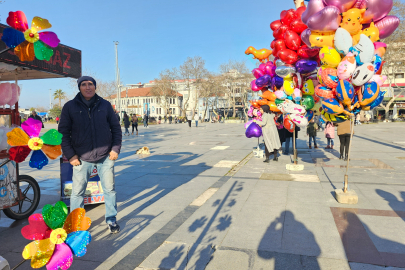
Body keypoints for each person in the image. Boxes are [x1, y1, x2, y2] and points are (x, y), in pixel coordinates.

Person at [58, 76, 122, 234]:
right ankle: (76, 222)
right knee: (77, 193)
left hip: (105, 156)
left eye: (91, 84)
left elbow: (116, 129)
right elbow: (63, 134)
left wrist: (115, 149)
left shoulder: (105, 105)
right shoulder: (70, 107)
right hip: (81, 158)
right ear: (79, 87)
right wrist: (71, 156)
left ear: (95, 87)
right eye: (84, 85)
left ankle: (111, 219)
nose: (88, 87)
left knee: (110, 189)